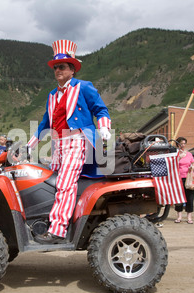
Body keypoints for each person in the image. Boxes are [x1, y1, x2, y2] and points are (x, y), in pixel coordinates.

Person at [27, 39, 112, 244]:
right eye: (56, 67)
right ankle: (49, 218)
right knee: (52, 181)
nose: (58, 70)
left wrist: (104, 127)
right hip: (58, 143)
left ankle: (58, 229)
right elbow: (45, 123)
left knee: (66, 183)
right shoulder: (52, 95)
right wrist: (30, 144)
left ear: (72, 69)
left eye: (62, 66)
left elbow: (100, 109)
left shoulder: (83, 87)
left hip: (77, 140)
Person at [174, 137, 194, 224]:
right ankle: (179, 216)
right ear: (177, 144)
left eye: (184, 143)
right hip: (179, 178)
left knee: (190, 197)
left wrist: (192, 167)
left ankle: (189, 217)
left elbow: (193, 164)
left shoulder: (189, 154)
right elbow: (172, 165)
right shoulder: (175, 154)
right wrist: (178, 158)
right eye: (181, 143)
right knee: (179, 197)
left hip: (188, 177)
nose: (183, 145)